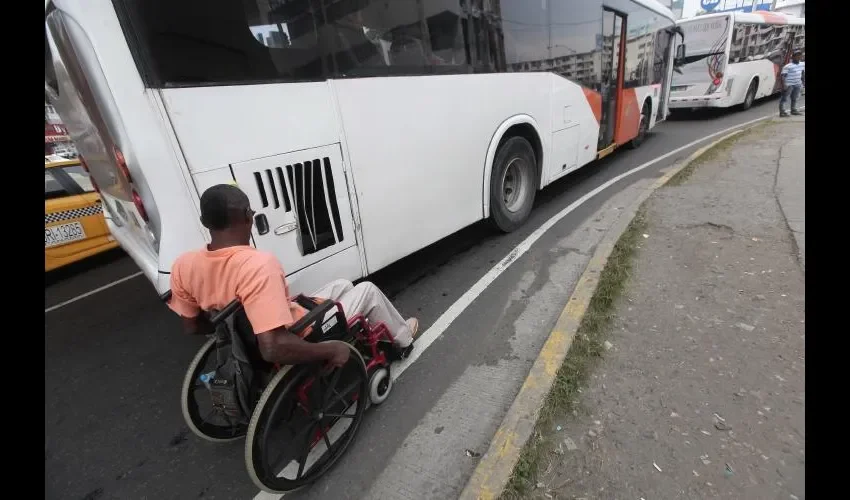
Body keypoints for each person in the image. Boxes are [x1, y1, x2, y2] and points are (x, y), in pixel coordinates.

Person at [167, 184, 419, 368]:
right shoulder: (257, 265)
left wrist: (233, 331)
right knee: (367, 290)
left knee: (342, 284)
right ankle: (403, 340)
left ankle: (370, 327)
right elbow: (272, 346)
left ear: (204, 221)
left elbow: (192, 325)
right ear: (248, 216)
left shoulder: (183, 265)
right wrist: (331, 349)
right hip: (299, 333)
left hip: (257, 331)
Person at [779, 50, 805, 117]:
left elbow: (802, 73)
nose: (799, 57)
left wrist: (803, 82)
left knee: (795, 98)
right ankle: (782, 112)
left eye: (800, 55)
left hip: (797, 84)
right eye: (797, 55)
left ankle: (793, 110)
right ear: (793, 57)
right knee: (784, 98)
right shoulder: (788, 66)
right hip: (789, 84)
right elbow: (783, 76)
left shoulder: (802, 64)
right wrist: (784, 85)